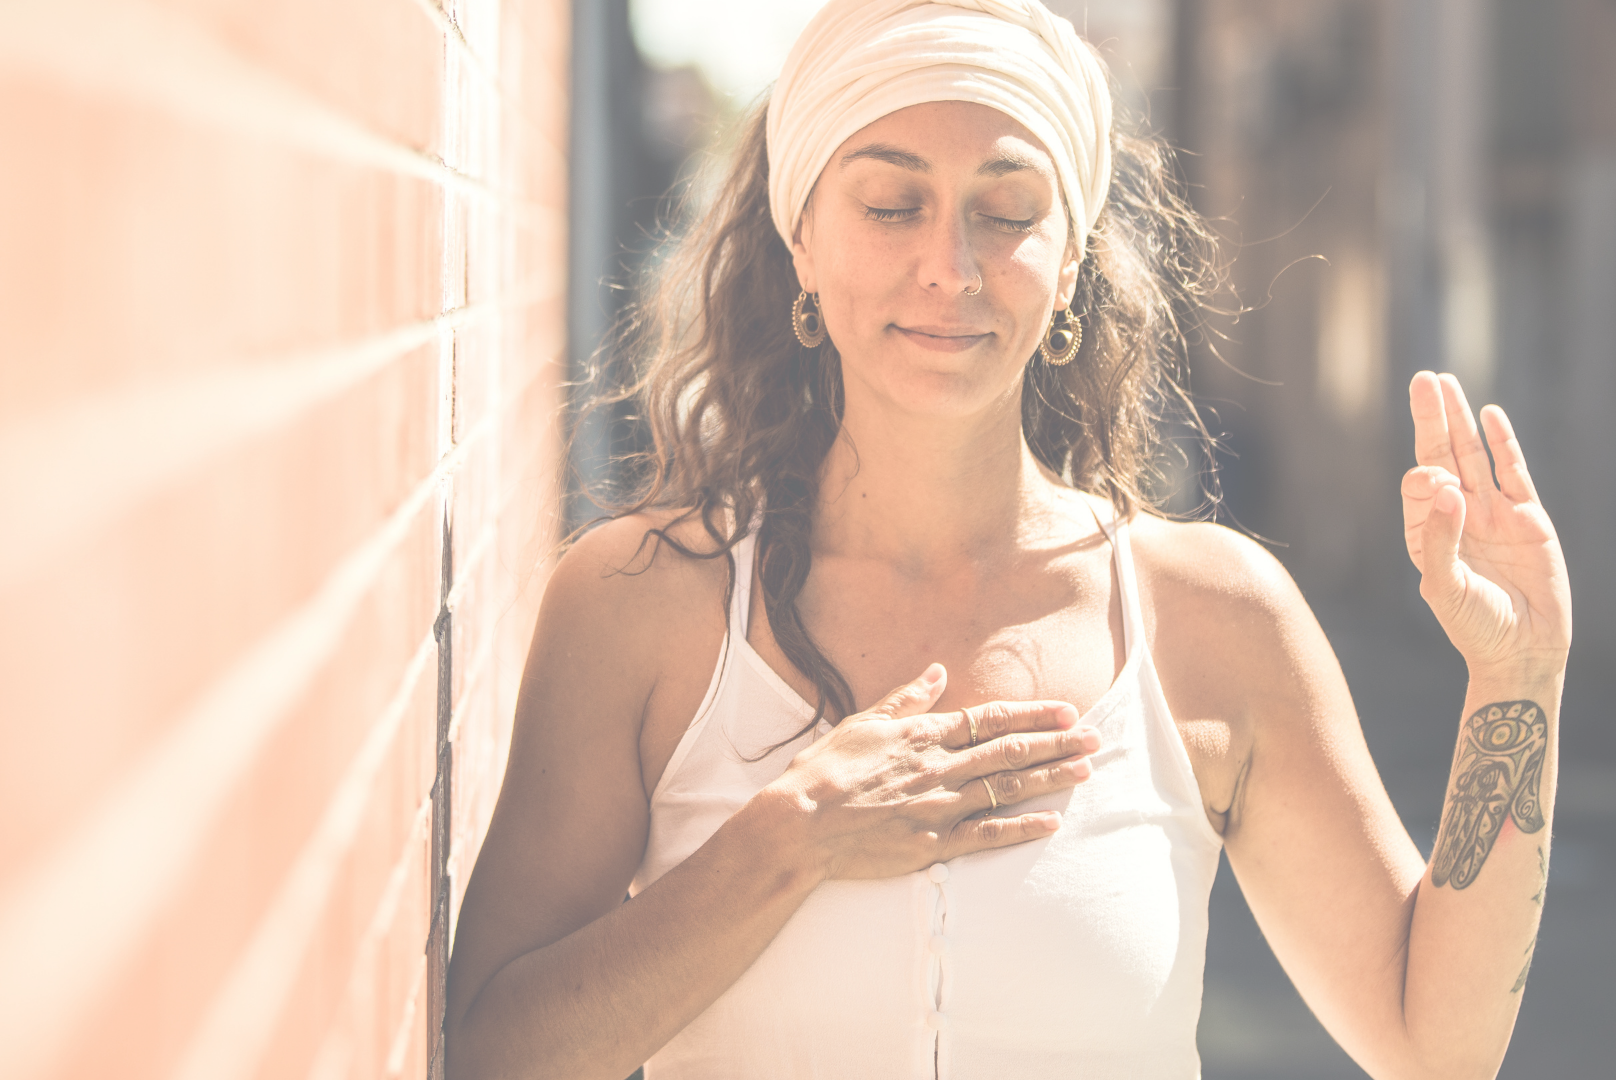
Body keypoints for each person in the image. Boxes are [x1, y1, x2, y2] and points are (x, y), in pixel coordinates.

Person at [443, 1, 1572, 1077]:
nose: (953, 267)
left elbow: (1436, 1048)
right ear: (803, 241)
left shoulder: (1214, 618)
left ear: (1071, 259)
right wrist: (785, 842)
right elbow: (490, 1056)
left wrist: (1517, 679)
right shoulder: (640, 604)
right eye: (891, 206)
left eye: (1008, 210)